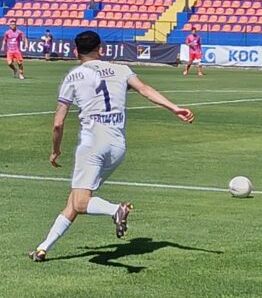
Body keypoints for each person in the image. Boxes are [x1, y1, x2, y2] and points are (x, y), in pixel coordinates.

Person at [29, 31, 194, 262]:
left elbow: (58, 123)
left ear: (76, 52)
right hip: (117, 146)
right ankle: (43, 248)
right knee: (75, 199)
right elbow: (145, 89)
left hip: (92, 145)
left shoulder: (73, 76)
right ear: (102, 49)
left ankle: (115, 209)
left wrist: (55, 150)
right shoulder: (121, 70)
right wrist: (174, 108)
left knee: (80, 202)